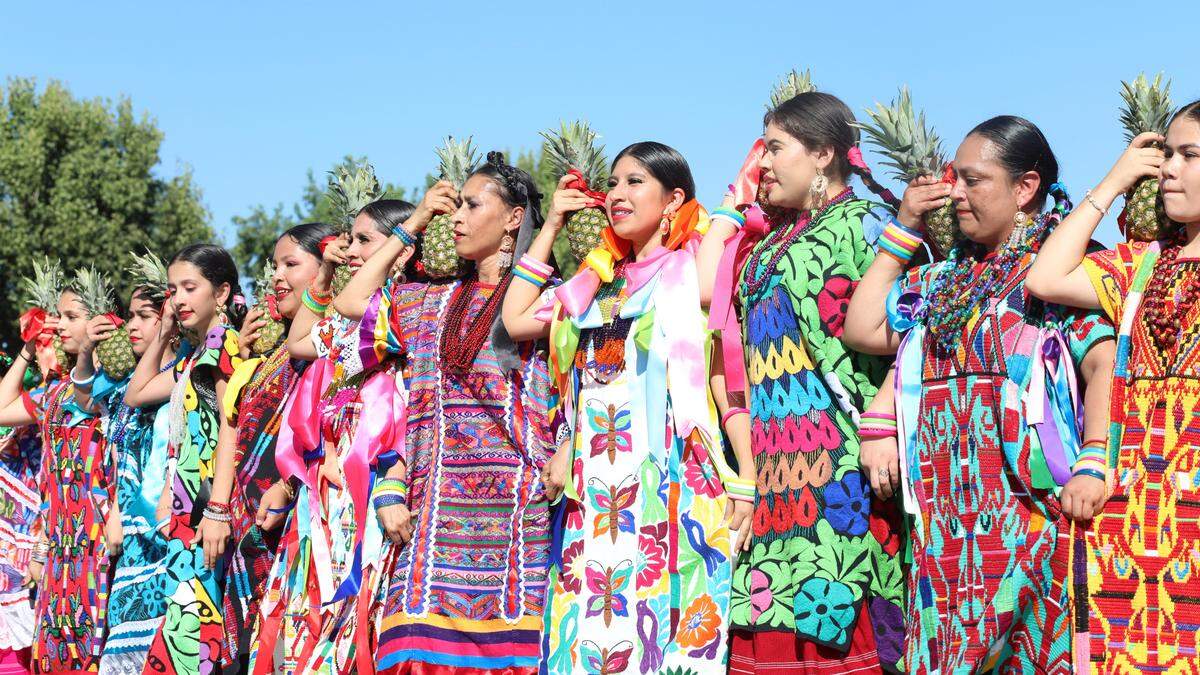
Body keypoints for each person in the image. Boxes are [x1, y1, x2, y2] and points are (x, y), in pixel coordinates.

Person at [844, 115, 1116, 673]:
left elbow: (1102, 360)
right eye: (955, 180)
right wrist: (905, 227)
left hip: (1030, 516)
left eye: (974, 180)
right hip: (943, 522)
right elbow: (864, 327)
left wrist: (1093, 457)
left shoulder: (1061, 270)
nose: (957, 194)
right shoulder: (944, 279)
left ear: (1025, 187)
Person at [504, 140, 752, 672]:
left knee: (669, 626)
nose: (617, 193)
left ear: (673, 200)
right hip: (596, 487)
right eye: (613, 183)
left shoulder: (689, 271)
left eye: (634, 181)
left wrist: (744, 475)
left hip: (673, 477)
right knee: (592, 634)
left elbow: (721, 368)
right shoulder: (595, 283)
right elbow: (517, 319)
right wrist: (551, 226)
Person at [699, 92, 906, 673]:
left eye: (774, 148)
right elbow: (707, 294)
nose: (762, 162)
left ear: (822, 154)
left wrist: (885, 421)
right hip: (774, 475)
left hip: (846, 471)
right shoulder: (764, 245)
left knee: (835, 622)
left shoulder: (867, 225)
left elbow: (917, 331)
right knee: (770, 625)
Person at [335, 152, 555, 675]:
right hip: (430, 522)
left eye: (471, 206)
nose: (455, 219)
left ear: (514, 218)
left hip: (516, 514)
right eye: (454, 208)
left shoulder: (544, 304)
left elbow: (573, 396)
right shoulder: (426, 300)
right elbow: (350, 300)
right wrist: (413, 222)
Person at [1025, 99, 1200, 672]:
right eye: (1167, 154)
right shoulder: (1143, 265)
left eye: (1189, 155)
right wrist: (1112, 184)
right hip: (1130, 520)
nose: (1168, 169)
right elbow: (1046, 277)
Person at [251, 201, 415, 674]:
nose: (352, 250)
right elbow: (299, 342)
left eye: (365, 240)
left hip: (382, 484)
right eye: (351, 240)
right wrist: (325, 273)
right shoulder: (349, 323)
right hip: (332, 494)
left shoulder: (406, 310)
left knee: (362, 621)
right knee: (314, 616)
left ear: (402, 247)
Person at [202, 223, 333, 672]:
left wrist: (289, 485)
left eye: (290, 264)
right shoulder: (273, 353)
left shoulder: (329, 341)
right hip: (247, 523)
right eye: (275, 265)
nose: (277, 276)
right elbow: (235, 426)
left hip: (296, 526)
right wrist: (219, 508)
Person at [123, 244, 246, 675]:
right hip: (186, 517)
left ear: (222, 292)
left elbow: (231, 425)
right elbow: (136, 393)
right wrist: (163, 333)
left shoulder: (224, 343)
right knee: (186, 642)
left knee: (196, 641)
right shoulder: (195, 355)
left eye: (190, 288)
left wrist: (218, 509)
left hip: (206, 515)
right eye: (173, 290)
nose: (178, 299)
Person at [0, 282, 109, 674]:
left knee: (95, 650)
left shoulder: (112, 386)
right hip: (58, 545)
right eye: (59, 316)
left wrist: (89, 354)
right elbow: (1, 410)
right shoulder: (53, 393)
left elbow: (88, 399)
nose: (59, 325)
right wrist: (28, 351)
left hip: (98, 538)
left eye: (70, 317)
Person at [71, 269, 175, 674]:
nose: (132, 324)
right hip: (129, 540)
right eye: (130, 315)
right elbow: (84, 401)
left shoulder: (182, 375)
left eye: (144, 316)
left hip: (164, 533)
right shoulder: (125, 383)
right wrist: (85, 353)